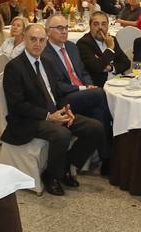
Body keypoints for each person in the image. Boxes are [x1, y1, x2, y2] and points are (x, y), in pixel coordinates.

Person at [2, 24, 105, 195]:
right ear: (25, 40)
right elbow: (17, 105)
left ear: (46, 41)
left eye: (42, 40)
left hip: (54, 113)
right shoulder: (14, 67)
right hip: (28, 120)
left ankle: (66, 166)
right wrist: (49, 116)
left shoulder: (47, 63)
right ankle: (52, 176)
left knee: (95, 128)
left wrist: (66, 110)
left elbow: (56, 93)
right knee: (62, 133)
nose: (37, 44)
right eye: (33, 39)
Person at [42, 14, 113, 156]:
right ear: (48, 31)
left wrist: (89, 85)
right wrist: (84, 88)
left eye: (66, 28)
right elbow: (56, 86)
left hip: (82, 92)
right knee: (100, 94)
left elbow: (83, 72)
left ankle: (105, 156)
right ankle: (108, 154)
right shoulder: (45, 53)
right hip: (64, 98)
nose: (64, 31)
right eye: (59, 28)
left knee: (98, 109)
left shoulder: (71, 47)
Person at [78, 10, 131, 86]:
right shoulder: (84, 43)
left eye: (103, 24)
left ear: (108, 26)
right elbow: (96, 68)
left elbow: (126, 63)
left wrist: (111, 68)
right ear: (90, 26)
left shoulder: (112, 39)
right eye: (96, 24)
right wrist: (110, 48)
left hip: (120, 81)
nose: (100, 27)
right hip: (101, 86)